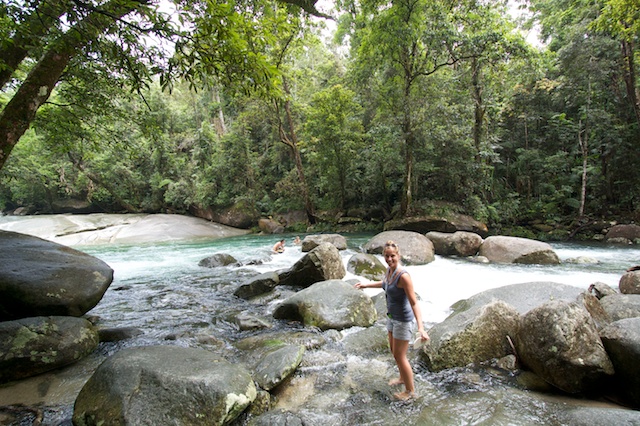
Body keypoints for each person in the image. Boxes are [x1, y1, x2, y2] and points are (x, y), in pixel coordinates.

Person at [354, 240, 429, 401]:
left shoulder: (404, 276)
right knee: (395, 354)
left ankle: (410, 392)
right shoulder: (389, 271)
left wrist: (421, 328)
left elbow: (414, 302)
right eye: (387, 256)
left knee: (401, 356)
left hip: (403, 321)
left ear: (398, 255)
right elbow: (385, 284)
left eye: (392, 256)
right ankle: (402, 379)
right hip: (392, 318)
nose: (389, 259)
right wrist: (366, 285)